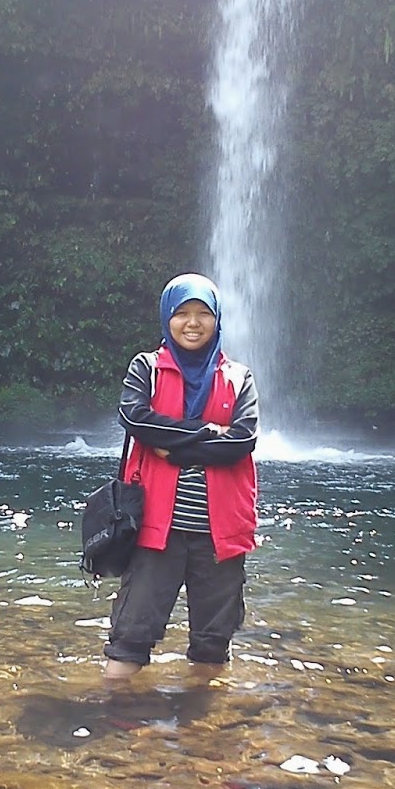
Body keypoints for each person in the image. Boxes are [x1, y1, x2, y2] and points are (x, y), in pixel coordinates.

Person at [103, 273, 259, 680]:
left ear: (217, 319)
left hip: (220, 533)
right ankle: (109, 725)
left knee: (213, 643)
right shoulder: (148, 367)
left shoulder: (239, 377)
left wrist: (173, 446)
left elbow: (242, 441)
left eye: (203, 313)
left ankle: (203, 733)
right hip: (156, 528)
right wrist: (209, 432)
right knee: (129, 637)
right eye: (182, 313)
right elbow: (134, 418)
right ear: (166, 319)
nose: (193, 323)